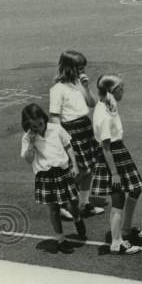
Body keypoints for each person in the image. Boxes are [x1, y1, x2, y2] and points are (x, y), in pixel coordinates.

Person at [20, 103, 85, 254]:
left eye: (40, 124)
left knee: (72, 203)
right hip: (45, 175)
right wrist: (30, 143)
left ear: (44, 118)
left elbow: (69, 146)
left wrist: (74, 165)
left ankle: (77, 219)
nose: (39, 128)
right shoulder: (27, 138)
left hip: (62, 171)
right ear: (28, 125)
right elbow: (29, 159)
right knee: (54, 208)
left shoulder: (56, 129)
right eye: (34, 127)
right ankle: (61, 240)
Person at [90, 74, 142, 255]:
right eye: (121, 88)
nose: (123, 91)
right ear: (112, 91)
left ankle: (126, 229)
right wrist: (114, 173)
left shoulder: (108, 105)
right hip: (112, 155)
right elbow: (106, 146)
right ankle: (116, 241)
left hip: (118, 151)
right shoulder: (104, 114)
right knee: (118, 198)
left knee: (135, 189)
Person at [48, 50, 105, 219]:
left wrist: (86, 88)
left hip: (84, 127)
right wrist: (63, 140)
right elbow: (55, 117)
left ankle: (84, 203)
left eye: (83, 68)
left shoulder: (79, 84)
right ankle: (62, 202)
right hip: (70, 131)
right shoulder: (57, 89)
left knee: (89, 169)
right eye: (79, 68)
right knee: (79, 171)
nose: (82, 71)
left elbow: (92, 103)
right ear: (67, 68)